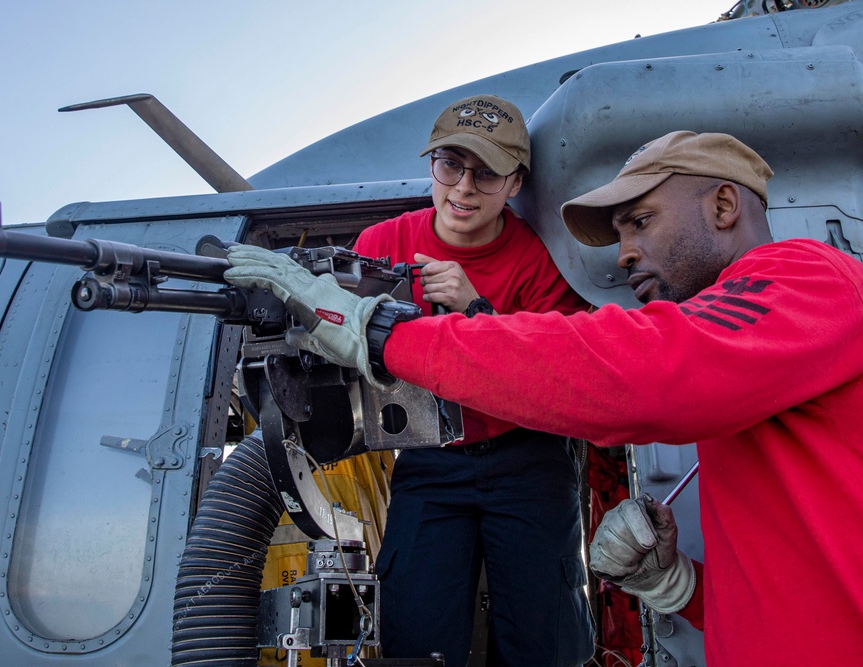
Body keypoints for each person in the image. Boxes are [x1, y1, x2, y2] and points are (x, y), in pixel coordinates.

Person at [223, 130, 863, 665]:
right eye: (620, 233)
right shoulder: (760, 366)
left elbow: (628, 372)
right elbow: (802, 575)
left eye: (640, 222)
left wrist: (382, 329)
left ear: (725, 206)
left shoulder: (807, 278)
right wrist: (682, 587)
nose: (626, 254)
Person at [349, 94, 595, 667]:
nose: (463, 188)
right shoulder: (379, 246)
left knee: (546, 638)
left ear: (515, 183)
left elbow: (558, 378)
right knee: (414, 628)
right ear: (430, 165)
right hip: (428, 458)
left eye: (486, 174)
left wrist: (477, 310)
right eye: (450, 166)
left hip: (527, 458)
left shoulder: (540, 262)